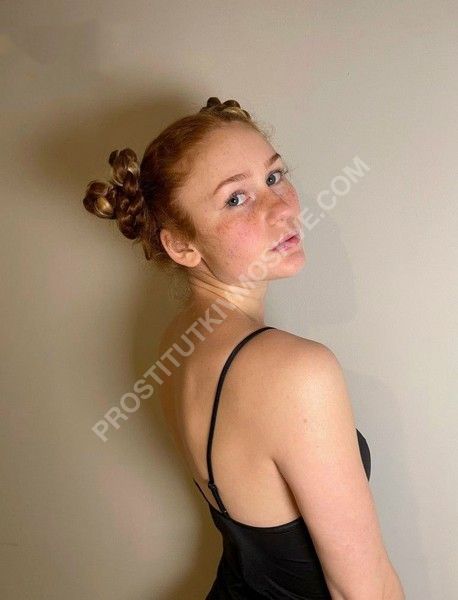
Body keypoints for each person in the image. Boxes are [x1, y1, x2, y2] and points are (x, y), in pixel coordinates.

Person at [82, 97, 405, 599]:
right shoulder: (296, 371)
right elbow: (364, 591)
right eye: (236, 198)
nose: (282, 208)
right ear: (181, 246)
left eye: (274, 177)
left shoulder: (180, 341)